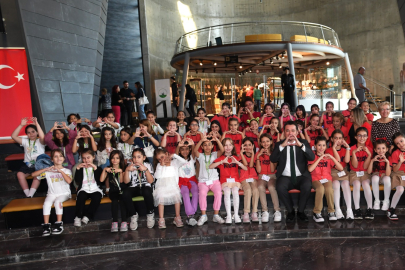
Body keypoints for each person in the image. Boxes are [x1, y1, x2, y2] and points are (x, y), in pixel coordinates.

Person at [270, 121, 315, 222]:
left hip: (301, 175)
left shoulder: (303, 142)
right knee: (280, 187)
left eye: (293, 131)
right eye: (288, 131)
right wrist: (282, 146)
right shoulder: (279, 144)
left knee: (307, 185)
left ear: (297, 132)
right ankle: (290, 211)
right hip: (285, 176)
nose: (290, 133)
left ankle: (301, 211)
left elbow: (312, 157)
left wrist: (300, 145)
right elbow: (272, 159)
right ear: (284, 132)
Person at [32, 149, 72, 236]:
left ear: (64, 158)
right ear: (52, 159)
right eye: (56, 156)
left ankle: (59, 224)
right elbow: (33, 175)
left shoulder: (67, 171)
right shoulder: (48, 172)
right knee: (46, 203)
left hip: (64, 194)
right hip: (51, 194)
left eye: (61, 156)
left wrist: (60, 171)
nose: (58, 158)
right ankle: (46, 226)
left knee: (58, 202)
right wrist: (46, 169)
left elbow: (69, 181)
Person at [210, 138, 248, 224]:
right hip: (224, 181)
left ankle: (236, 215)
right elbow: (210, 166)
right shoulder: (221, 158)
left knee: (235, 191)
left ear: (233, 146)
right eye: (225, 145)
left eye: (230, 145)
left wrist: (237, 163)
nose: (228, 147)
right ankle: (229, 216)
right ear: (222, 147)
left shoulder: (236, 157)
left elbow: (245, 168)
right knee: (227, 192)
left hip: (235, 180)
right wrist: (221, 162)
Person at [308, 136, 342, 222]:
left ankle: (331, 211)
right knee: (320, 188)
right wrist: (319, 158)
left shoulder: (328, 157)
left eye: (323, 145)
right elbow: (310, 169)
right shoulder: (312, 156)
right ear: (315, 146)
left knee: (329, 189)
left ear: (326, 147)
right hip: (315, 179)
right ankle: (317, 212)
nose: (321, 147)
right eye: (319, 145)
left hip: (327, 179)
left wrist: (332, 158)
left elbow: (340, 168)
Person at [193, 135, 225, 226]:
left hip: (214, 181)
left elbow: (222, 150)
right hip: (203, 181)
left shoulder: (215, 154)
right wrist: (201, 140)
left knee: (218, 193)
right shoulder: (201, 156)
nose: (207, 147)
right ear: (202, 147)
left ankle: (216, 215)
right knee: (202, 193)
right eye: (205, 145)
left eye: (209, 145)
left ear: (212, 146)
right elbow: (195, 151)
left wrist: (217, 140)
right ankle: (203, 215)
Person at [11, 117, 46, 197]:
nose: (31, 134)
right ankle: (28, 195)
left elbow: (42, 137)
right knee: (20, 174)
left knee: (37, 175)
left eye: (33, 131)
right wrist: (21, 125)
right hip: (28, 165)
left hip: (39, 165)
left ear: (37, 132)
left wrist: (37, 124)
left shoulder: (40, 141)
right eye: (28, 132)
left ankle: (31, 194)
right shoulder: (25, 141)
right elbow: (13, 136)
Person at [123, 148, 155, 230]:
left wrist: (146, 170)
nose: (136, 159)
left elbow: (151, 181)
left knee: (147, 191)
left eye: (139, 157)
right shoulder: (130, 166)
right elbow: (126, 182)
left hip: (145, 186)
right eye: (134, 157)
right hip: (135, 187)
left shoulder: (148, 165)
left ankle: (150, 213)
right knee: (126, 193)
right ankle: (133, 215)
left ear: (144, 157)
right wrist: (127, 170)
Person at [153, 148, 184, 229]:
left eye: (162, 157)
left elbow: (184, 162)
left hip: (173, 186)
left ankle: (177, 217)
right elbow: (156, 176)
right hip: (162, 186)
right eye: (159, 159)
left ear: (167, 154)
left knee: (177, 196)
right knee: (160, 196)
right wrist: (161, 166)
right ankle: (161, 219)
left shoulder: (175, 163)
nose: (161, 160)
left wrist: (174, 155)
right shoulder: (159, 165)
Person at [327, 130, 353, 220]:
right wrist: (334, 149)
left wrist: (348, 148)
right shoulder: (328, 150)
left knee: (345, 184)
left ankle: (349, 210)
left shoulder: (345, 149)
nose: (338, 140)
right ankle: (337, 209)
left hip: (343, 171)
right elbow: (337, 161)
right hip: (333, 171)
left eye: (340, 138)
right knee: (336, 184)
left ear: (343, 139)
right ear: (332, 139)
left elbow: (346, 161)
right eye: (336, 138)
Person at [73, 149, 103, 227]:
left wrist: (95, 168)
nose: (86, 160)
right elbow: (77, 181)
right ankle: (78, 217)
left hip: (95, 189)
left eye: (88, 157)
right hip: (84, 188)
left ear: (93, 157)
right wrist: (78, 169)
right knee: (81, 196)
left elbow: (100, 181)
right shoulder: (80, 168)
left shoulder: (98, 168)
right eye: (84, 158)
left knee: (97, 197)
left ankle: (87, 216)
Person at [256, 134, 281, 223]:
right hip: (261, 176)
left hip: (272, 176)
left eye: (267, 141)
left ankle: (277, 210)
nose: (265, 143)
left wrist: (271, 156)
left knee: (271, 187)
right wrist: (258, 157)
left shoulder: (274, 152)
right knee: (260, 187)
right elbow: (258, 170)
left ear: (271, 142)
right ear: (261, 143)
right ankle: (265, 211)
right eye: (263, 141)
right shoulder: (258, 153)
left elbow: (272, 169)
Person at [349, 127, 373, 220]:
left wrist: (369, 155)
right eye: (359, 135)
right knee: (356, 184)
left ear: (367, 137)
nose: (362, 138)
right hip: (354, 173)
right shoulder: (351, 149)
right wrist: (354, 153)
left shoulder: (370, 149)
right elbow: (354, 165)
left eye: (364, 136)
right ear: (355, 137)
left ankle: (370, 208)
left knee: (366, 184)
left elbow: (366, 167)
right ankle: (357, 209)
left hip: (365, 172)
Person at [100, 150, 126, 232]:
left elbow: (122, 182)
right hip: (113, 191)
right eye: (112, 158)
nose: (114, 160)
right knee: (114, 201)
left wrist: (121, 172)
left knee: (122, 201)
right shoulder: (108, 169)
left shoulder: (124, 168)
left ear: (120, 159)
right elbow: (101, 180)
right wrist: (104, 170)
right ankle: (114, 222)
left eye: (117, 158)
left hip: (122, 190)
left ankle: (124, 222)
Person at [174, 139, 198, 226]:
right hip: (182, 181)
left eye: (187, 149)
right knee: (185, 193)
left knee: (195, 192)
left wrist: (193, 145)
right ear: (179, 150)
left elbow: (194, 152)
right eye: (182, 149)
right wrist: (178, 146)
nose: (185, 151)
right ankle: (190, 215)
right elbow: (175, 155)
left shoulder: (192, 158)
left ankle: (192, 214)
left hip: (192, 179)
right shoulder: (177, 160)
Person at [367, 140, 391, 211]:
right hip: (376, 175)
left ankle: (386, 201)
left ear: (387, 149)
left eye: (383, 148)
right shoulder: (373, 157)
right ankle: (377, 200)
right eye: (378, 148)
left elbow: (388, 174)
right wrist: (372, 161)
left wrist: (387, 162)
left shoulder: (389, 158)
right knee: (375, 178)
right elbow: (369, 172)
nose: (381, 150)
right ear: (375, 149)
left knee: (387, 179)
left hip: (385, 175)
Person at [239, 137, 259, 223]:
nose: (248, 147)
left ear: (253, 146)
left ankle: (254, 212)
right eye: (245, 145)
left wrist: (253, 154)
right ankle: (246, 213)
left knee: (255, 190)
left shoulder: (256, 155)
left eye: (250, 145)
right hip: (244, 178)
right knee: (247, 190)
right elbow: (246, 165)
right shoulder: (240, 155)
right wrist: (241, 153)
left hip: (253, 178)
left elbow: (251, 165)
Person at [389, 132, 405, 220]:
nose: (400, 144)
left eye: (401, 141)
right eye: (397, 143)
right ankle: (391, 209)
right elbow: (394, 169)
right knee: (400, 189)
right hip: (398, 174)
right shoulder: (396, 153)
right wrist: (400, 162)